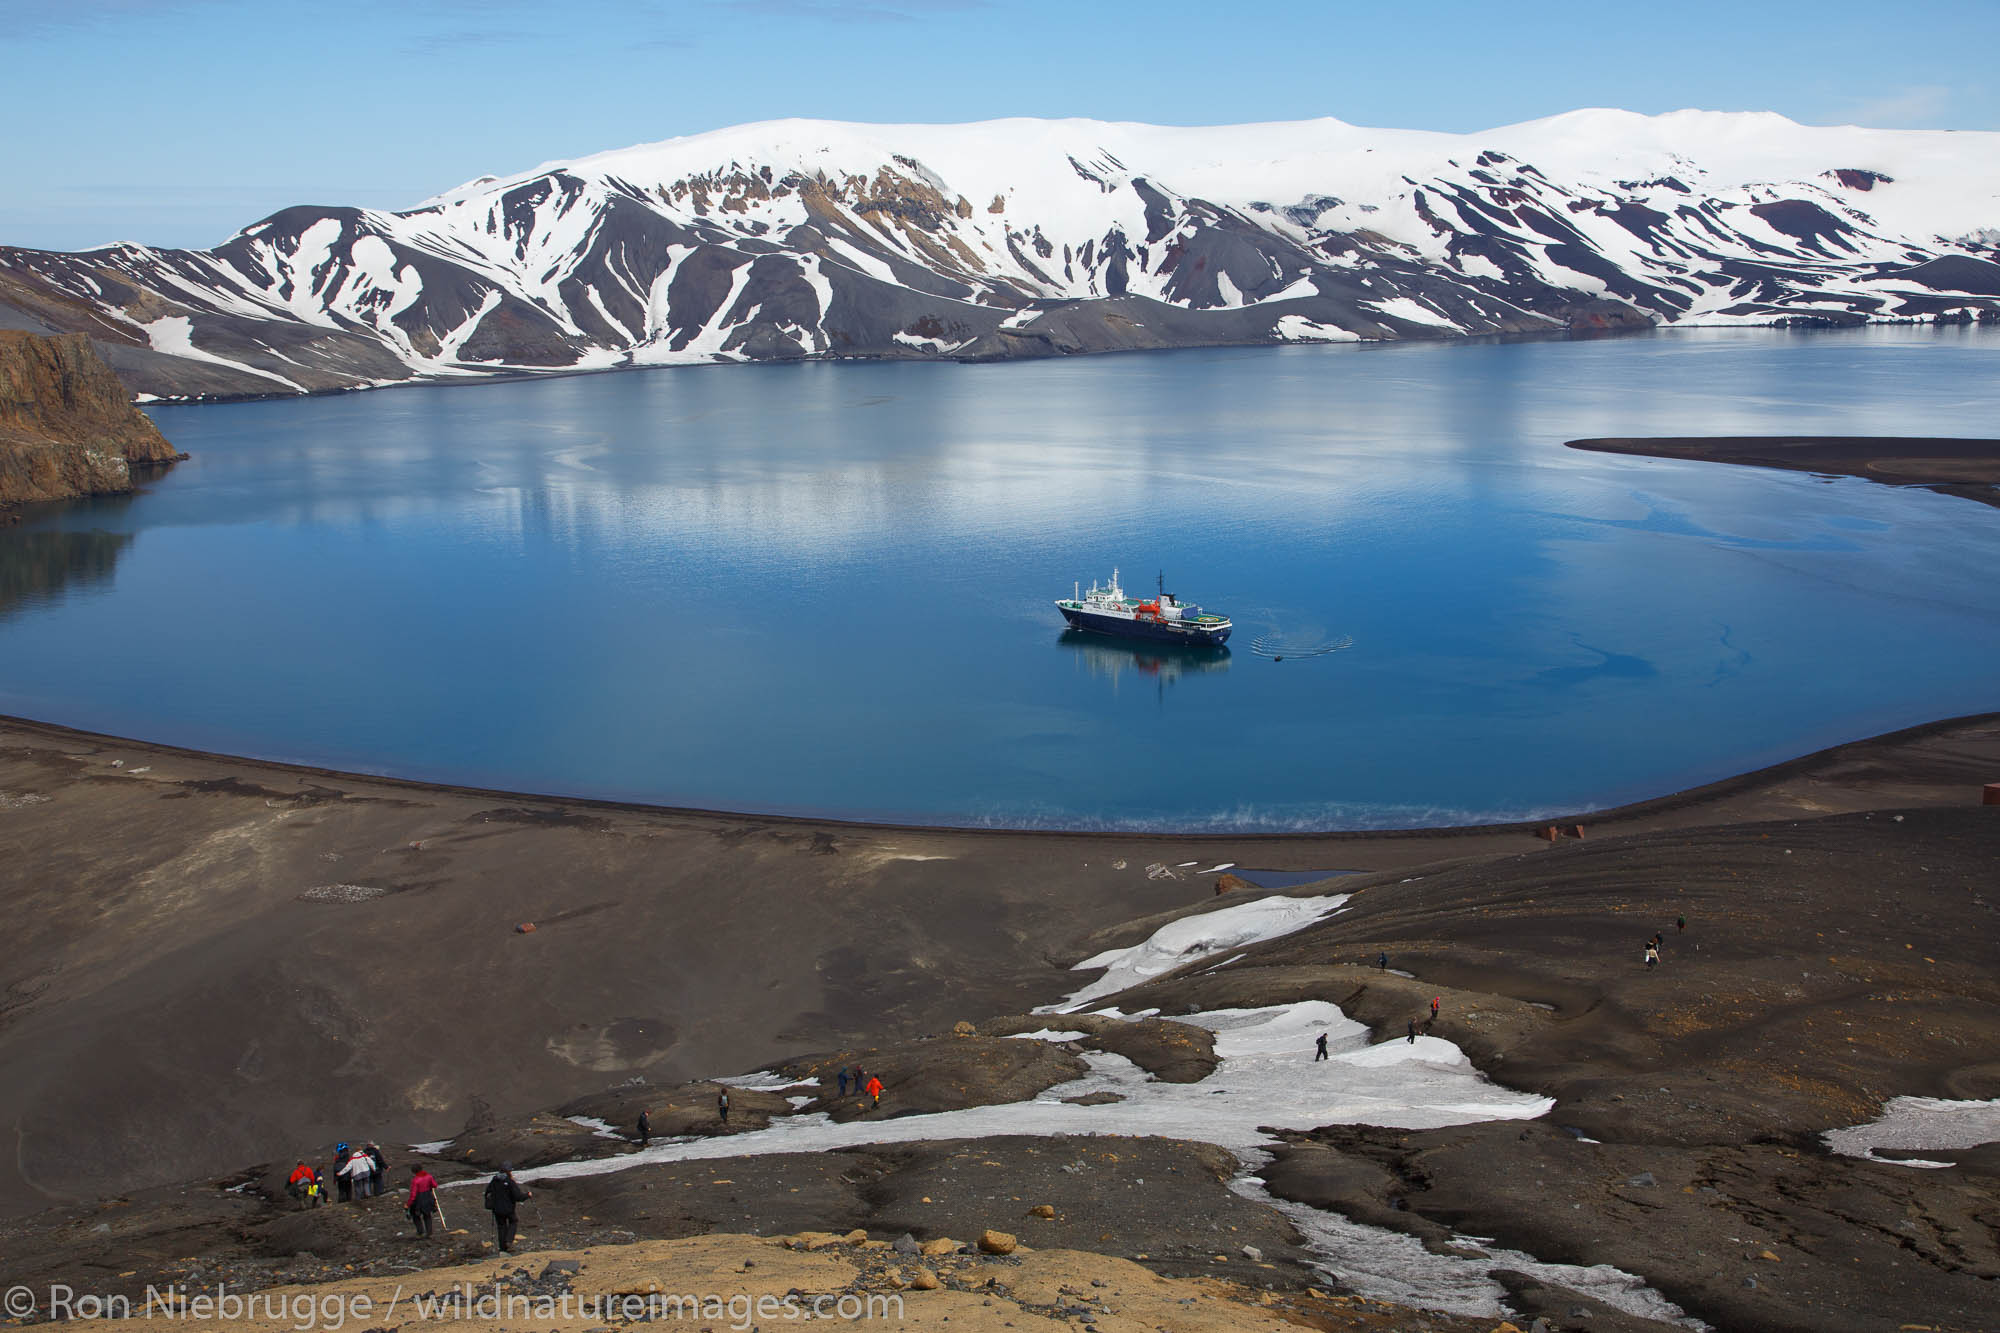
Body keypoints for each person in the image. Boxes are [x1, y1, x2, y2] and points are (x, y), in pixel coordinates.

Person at [484, 1164, 530, 1253]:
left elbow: (488, 1193)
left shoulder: (494, 1181)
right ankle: (509, 1241)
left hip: (497, 1209)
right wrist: (527, 1195)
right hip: (508, 1209)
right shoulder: (509, 1181)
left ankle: (503, 1248)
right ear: (508, 1172)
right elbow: (518, 1196)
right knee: (513, 1221)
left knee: (501, 1227)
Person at [406, 1165, 441, 1237]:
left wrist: (408, 1204)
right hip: (428, 1197)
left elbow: (413, 1195)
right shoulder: (429, 1176)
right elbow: (435, 1185)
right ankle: (429, 1232)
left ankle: (420, 1231)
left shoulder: (415, 1180)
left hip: (418, 1200)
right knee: (427, 1215)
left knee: (415, 1215)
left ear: (414, 1172)